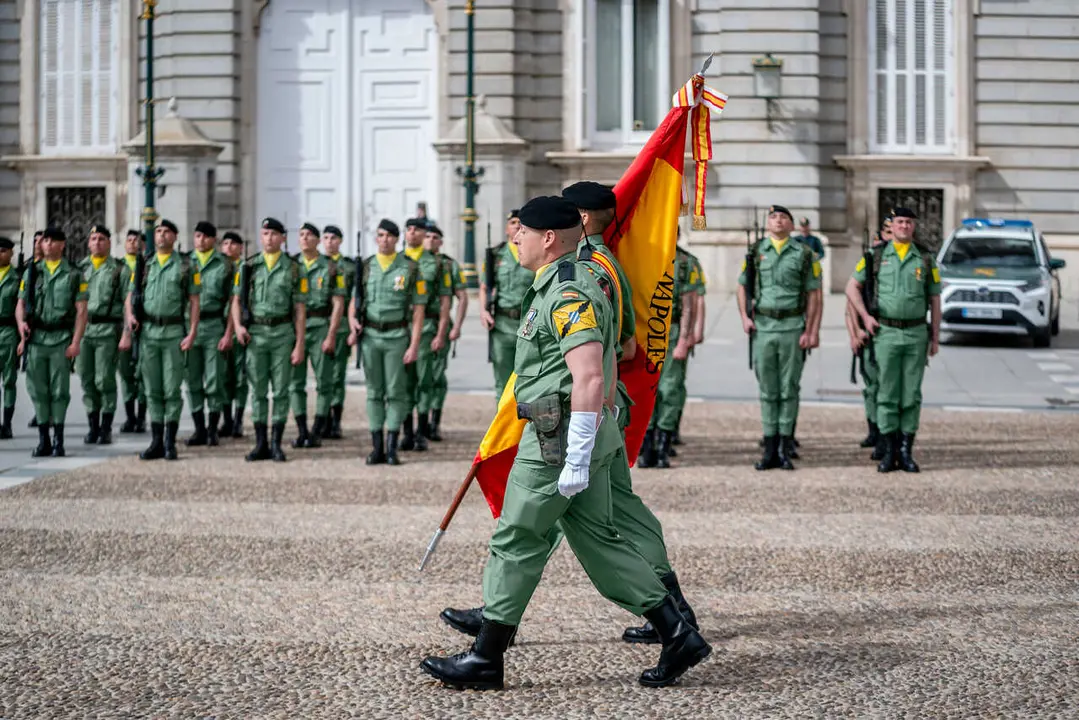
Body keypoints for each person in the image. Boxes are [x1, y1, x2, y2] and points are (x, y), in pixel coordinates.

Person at [421, 195, 711, 691]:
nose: (515, 238)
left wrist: (576, 452)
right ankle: (676, 631)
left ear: (549, 238)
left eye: (523, 232)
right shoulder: (558, 283)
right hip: (568, 433)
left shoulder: (568, 292)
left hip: (558, 437)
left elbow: (591, 375)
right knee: (599, 542)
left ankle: (486, 658)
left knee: (517, 538)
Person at [846, 207, 941, 473]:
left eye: (909, 222)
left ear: (914, 226)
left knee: (910, 395)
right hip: (885, 333)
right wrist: (865, 317)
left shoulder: (925, 258)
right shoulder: (875, 256)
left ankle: (905, 451)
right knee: (887, 393)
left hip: (915, 334)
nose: (904, 226)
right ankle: (888, 451)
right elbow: (851, 286)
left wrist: (935, 336)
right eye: (900, 222)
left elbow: (934, 298)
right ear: (893, 225)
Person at [737, 205, 822, 471]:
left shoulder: (805, 254)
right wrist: (744, 317)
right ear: (768, 223)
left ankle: (785, 446)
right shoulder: (755, 252)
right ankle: (769, 446)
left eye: (783, 217)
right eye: (773, 217)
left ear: (792, 225)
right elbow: (742, 286)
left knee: (789, 388)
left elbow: (814, 296)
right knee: (767, 389)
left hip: (792, 326)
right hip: (763, 326)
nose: (778, 221)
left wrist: (812, 330)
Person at [120, 219, 200, 461]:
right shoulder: (144, 265)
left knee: (171, 389)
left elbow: (195, 301)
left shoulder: (187, 266)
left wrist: (192, 332)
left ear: (175, 237)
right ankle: (155, 440)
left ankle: (169, 442)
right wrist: (131, 316)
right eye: (158, 231)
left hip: (174, 332)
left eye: (166, 232)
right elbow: (129, 296)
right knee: (152, 389)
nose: (162, 235)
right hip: (148, 334)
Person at [347, 219, 424, 466]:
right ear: (376, 238)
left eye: (390, 235)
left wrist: (413, 345)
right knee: (374, 393)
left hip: (396, 337)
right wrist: (352, 321)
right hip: (370, 336)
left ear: (397, 238)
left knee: (396, 392)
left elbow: (418, 310)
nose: (385, 239)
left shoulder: (410, 268)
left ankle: (392, 446)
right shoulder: (367, 266)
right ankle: (376, 447)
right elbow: (354, 300)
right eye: (381, 235)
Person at [230, 217, 307, 463]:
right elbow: (236, 300)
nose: (269, 238)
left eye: (274, 234)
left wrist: (299, 343)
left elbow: (299, 309)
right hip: (256, 335)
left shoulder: (295, 268)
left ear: (283, 238)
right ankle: (260, 443)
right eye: (265, 234)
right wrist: (239, 327)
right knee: (259, 391)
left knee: (281, 391)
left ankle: (276, 443)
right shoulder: (248, 266)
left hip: (282, 333)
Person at [16, 228, 88, 457]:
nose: (46, 244)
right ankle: (43, 440)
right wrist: (21, 326)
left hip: (60, 339)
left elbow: (82, 311)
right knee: (38, 390)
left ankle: (58, 440)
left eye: (51, 240)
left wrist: (76, 341)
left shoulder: (75, 274)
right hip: (36, 339)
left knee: (59, 392)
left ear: (62, 245)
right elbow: (20, 304)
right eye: (44, 240)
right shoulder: (32, 272)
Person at [639, 242, 697, 468]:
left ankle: (663, 444)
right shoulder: (645, 258)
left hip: (671, 332)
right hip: (647, 332)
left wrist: (684, 339)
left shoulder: (684, 264)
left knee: (669, 390)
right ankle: (647, 444)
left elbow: (689, 305)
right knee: (648, 391)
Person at [289, 222, 346, 448]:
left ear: (316, 240)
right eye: (300, 234)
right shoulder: (291, 266)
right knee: (295, 382)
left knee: (325, 381)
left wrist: (332, 334)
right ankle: (302, 429)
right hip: (294, 328)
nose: (304, 238)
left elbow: (338, 302)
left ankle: (317, 429)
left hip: (321, 325)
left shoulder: (331, 267)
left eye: (308, 235)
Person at [399, 217, 452, 451]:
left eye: (417, 230)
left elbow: (444, 302)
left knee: (423, 381)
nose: (412, 233)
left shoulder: (437, 264)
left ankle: (421, 432)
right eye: (408, 230)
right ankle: (406, 432)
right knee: (402, 383)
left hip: (427, 329)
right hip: (399, 328)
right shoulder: (397, 261)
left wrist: (441, 333)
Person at [184, 221, 235, 448]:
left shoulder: (225, 265)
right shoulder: (184, 263)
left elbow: (233, 301)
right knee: (193, 380)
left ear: (214, 240)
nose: (200, 240)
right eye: (197, 236)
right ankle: (198, 429)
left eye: (205, 236)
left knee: (215, 380)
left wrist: (228, 333)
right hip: (189, 328)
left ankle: (213, 428)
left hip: (214, 325)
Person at [845, 216, 892, 455]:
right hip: (869, 334)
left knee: (889, 388)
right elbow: (851, 302)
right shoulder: (870, 261)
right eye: (887, 230)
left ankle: (887, 435)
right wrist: (855, 332)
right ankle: (874, 429)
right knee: (873, 387)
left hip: (891, 331)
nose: (890, 234)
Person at [77, 225, 126, 446]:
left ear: (109, 242)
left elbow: (127, 303)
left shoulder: (119, 270)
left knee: (104, 379)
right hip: (84, 331)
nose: (97, 242)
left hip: (107, 330)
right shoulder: (80, 269)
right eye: (94, 238)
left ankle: (106, 428)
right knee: (86, 379)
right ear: (88, 243)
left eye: (102, 239)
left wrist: (126, 333)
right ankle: (92, 426)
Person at [479, 210, 535, 401]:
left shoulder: (534, 254)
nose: (516, 225)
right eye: (512, 222)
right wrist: (483, 311)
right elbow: (485, 286)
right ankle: (503, 429)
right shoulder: (495, 256)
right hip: (502, 324)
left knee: (527, 380)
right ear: (506, 229)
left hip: (528, 324)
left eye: (521, 222)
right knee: (502, 383)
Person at [423, 223, 467, 441]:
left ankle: (433, 423)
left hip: (437, 324)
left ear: (440, 241)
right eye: (427, 236)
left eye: (435, 237)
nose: (430, 239)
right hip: (415, 327)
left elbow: (462, 296)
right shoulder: (412, 263)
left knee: (437, 375)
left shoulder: (449, 265)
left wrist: (457, 326)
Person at [321, 225, 355, 440]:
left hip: (341, 326)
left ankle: (335, 421)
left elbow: (353, 299)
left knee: (337, 375)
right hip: (318, 324)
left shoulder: (349, 267)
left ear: (340, 241)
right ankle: (321, 419)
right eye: (325, 238)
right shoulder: (317, 264)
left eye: (333, 238)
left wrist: (352, 327)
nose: (329, 242)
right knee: (322, 376)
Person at [117, 230, 147, 434]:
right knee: (126, 373)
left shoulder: (148, 265)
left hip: (144, 326)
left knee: (143, 374)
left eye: (136, 240)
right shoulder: (118, 267)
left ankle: (142, 417)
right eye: (128, 240)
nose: (132, 243)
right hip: (121, 326)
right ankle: (130, 417)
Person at [218, 231, 247, 437]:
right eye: (225, 243)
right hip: (219, 328)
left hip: (240, 329)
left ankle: (238, 419)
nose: (228, 247)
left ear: (241, 248)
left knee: (240, 377)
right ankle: (226, 419)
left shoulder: (246, 268)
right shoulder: (219, 269)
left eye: (233, 243)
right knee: (224, 376)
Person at [0, 237, 18, 439]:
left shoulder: (17, 278)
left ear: (11, 253)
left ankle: (7, 423)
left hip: (8, 332)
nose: (0, 254)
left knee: (9, 381)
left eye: (3, 250)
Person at [26, 230, 44, 429]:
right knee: (32, 375)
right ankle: (37, 410)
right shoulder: (27, 268)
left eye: (42, 240)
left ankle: (43, 413)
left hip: (48, 329)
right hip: (29, 328)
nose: (38, 244)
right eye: (36, 240)